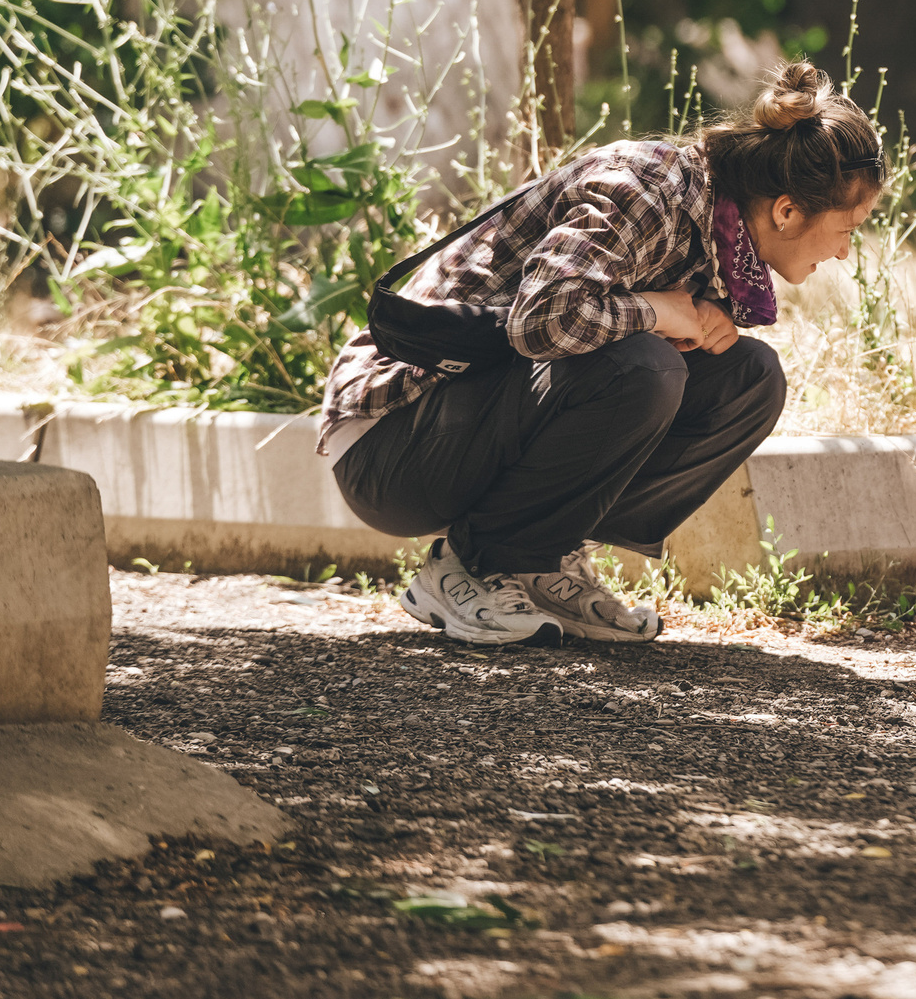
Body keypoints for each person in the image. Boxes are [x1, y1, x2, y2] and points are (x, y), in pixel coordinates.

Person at [318, 62, 882, 646]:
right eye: (849, 228)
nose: (845, 252)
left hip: (462, 429)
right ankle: (473, 565)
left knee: (749, 378)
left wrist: (683, 316)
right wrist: (661, 312)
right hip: (390, 448)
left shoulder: (718, 228)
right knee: (644, 369)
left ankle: (538, 560)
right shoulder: (649, 190)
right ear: (787, 210)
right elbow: (542, 321)